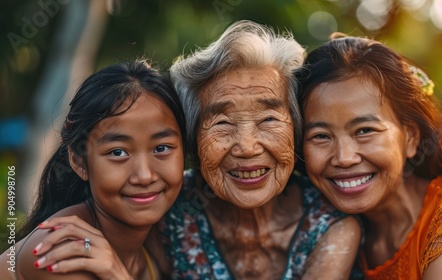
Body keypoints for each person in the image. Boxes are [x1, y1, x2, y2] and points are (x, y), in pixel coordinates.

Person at [29, 20, 362, 280]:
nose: (246, 147)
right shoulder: (166, 207)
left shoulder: (329, 225)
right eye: (221, 124)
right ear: (192, 141)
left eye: (269, 118)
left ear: (296, 128)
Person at [295, 33, 442, 279]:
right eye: (320, 136)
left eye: (364, 131)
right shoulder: (321, 227)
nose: (344, 157)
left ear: (411, 138)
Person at [0, 59, 186, 279]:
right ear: (79, 162)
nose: (144, 176)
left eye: (161, 148)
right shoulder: (62, 250)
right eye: (118, 152)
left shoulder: (164, 240)